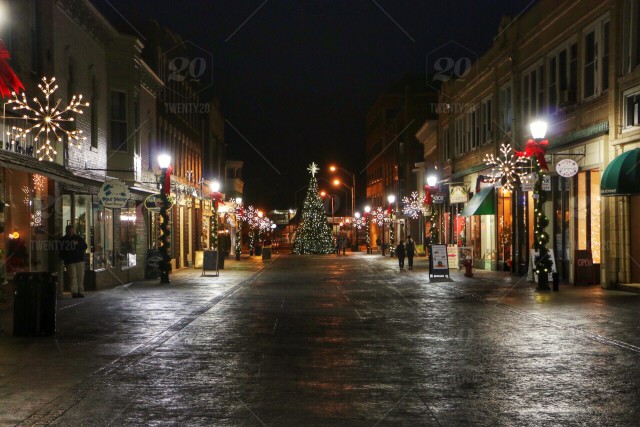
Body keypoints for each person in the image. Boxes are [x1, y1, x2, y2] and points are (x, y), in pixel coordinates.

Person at [60, 225, 88, 298]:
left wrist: (78, 245)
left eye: (71, 230)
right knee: (73, 277)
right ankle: (75, 292)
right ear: (67, 231)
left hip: (77, 260)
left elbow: (85, 246)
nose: (70, 231)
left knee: (79, 276)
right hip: (70, 261)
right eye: (69, 230)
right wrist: (64, 258)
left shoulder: (78, 238)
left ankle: (80, 292)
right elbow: (61, 251)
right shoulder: (64, 240)